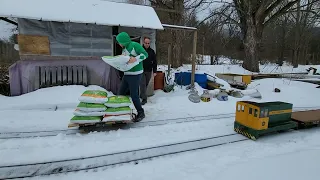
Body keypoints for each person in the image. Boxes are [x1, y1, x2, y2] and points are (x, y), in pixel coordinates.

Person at [116, 32, 148, 122]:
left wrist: (136, 58)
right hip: (127, 74)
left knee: (134, 95)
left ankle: (141, 112)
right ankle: (121, 110)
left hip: (135, 74)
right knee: (120, 93)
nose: (119, 44)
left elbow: (145, 54)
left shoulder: (135, 45)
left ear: (123, 40)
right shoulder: (124, 49)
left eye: (119, 42)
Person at [140, 37, 157, 105]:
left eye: (148, 43)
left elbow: (155, 62)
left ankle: (142, 95)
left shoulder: (152, 51)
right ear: (143, 43)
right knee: (142, 84)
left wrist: (155, 71)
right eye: (146, 43)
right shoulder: (140, 50)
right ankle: (144, 99)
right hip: (141, 70)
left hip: (149, 70)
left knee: (146, 84)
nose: (147, 44)